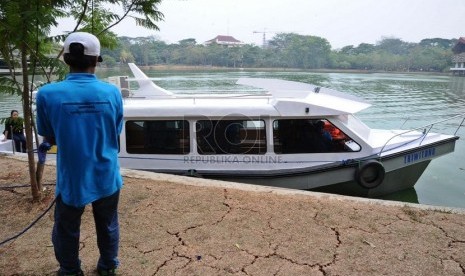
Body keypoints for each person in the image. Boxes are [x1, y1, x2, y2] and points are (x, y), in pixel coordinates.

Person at [36, 32, 123, 276]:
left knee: (66, 229)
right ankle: (108, 267)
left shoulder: (46, 94)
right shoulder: (112, 93)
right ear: (96, 60)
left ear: (65, 59)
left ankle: (70, 270)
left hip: (71, 177)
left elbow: (48, 135)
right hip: (106, 174)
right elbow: (114, 132)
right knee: (107, 225)